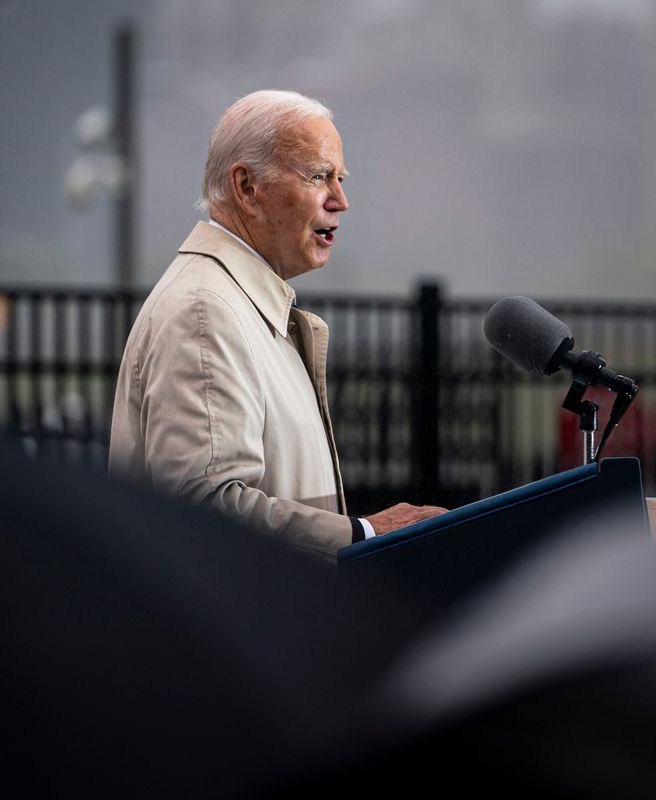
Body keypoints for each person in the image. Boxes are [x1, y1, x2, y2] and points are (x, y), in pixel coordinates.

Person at [109, 89, 445, 560]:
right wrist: (363, 534)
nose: (341, 200)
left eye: (340, 178)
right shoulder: (205, 311)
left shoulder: (230, 303)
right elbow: (203, 507)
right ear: (247, 188)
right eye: (319, 176)